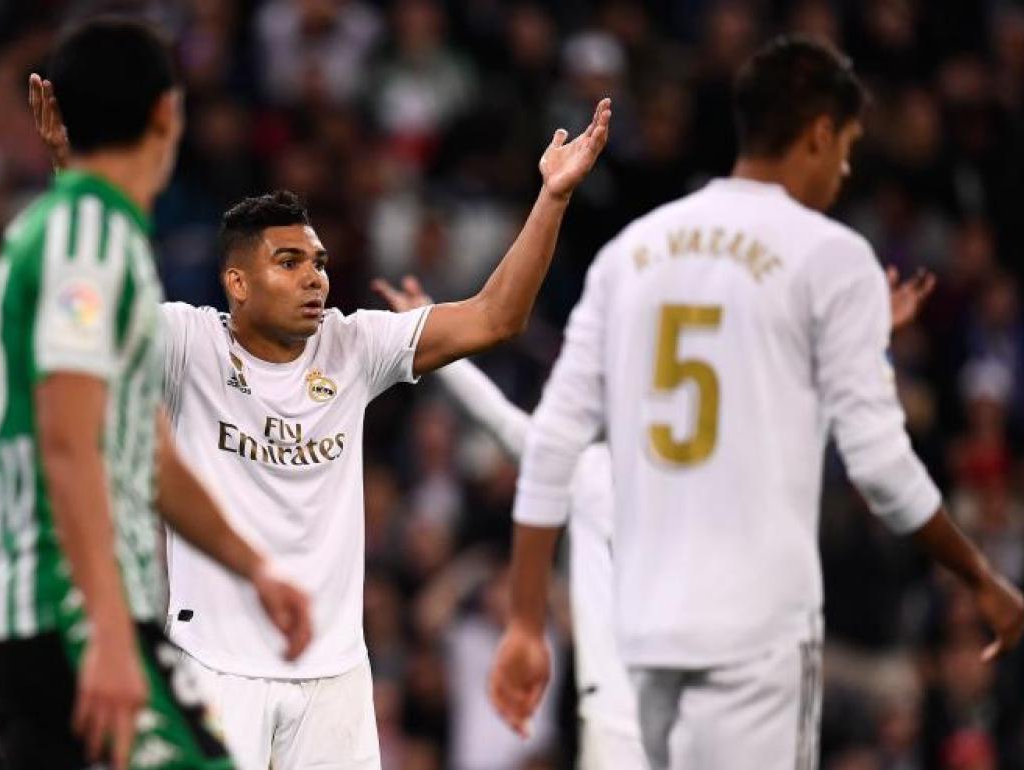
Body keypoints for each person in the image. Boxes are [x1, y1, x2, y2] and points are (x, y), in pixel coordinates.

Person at [27, 66, 611, 769]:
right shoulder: (187, 343)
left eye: (320, 262)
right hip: (213, 665)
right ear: (237, 283)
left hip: (334, 675)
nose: (315, 277)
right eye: (289, 261)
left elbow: (496, 316)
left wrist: (552, 196)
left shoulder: (354, 345)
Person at [487, 35, 1024, 770]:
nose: (844, 170)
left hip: (649, 627)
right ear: (820, 134)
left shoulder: (631, 252)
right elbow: (879, 466)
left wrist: (525, 621)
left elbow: (553, 441)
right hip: (758, 633)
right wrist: (977, 576)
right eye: (847, 148)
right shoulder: (831, 256)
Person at [373, 264, 936, 769]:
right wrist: (429, 331)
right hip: (619, 724)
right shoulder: (590, 472)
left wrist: (867, 344)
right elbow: (499, 418)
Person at [0, 19, 311, 770]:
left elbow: (145, 449)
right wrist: (108, 633)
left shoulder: (99, 237)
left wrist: (254, 569)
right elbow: (69, 442)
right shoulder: (87, 241)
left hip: (78, 616)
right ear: (166, 113)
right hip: (66, 613)